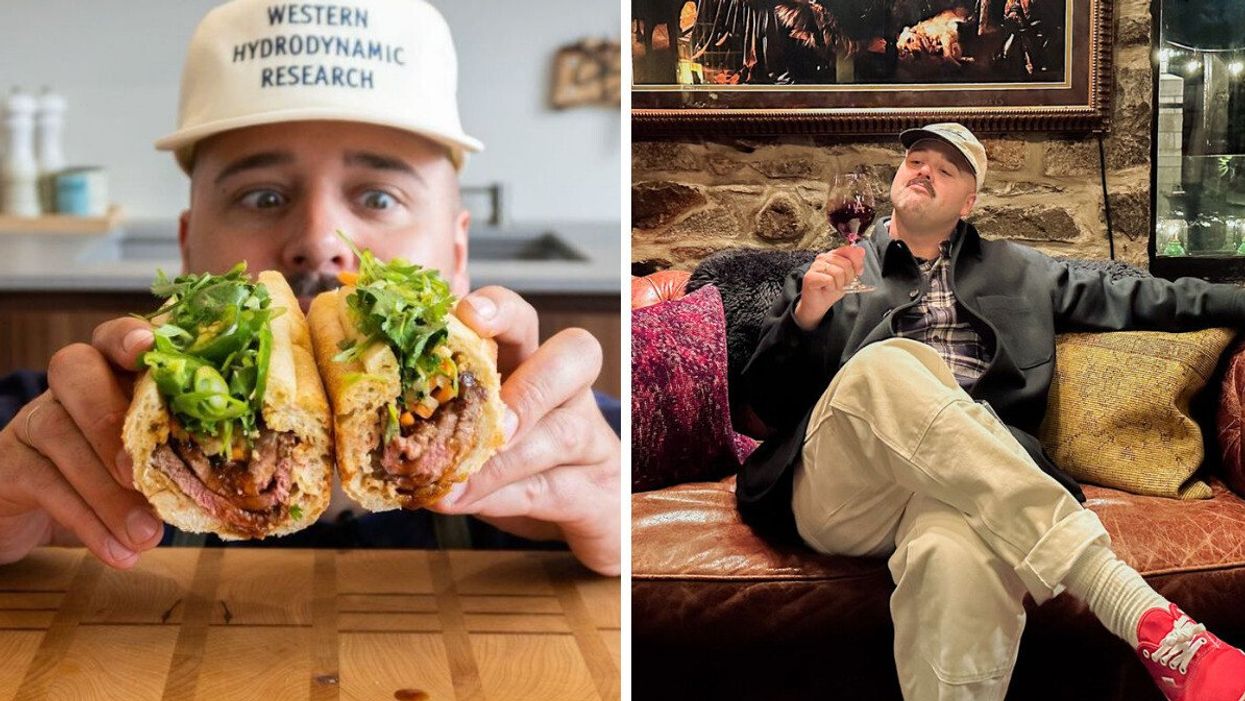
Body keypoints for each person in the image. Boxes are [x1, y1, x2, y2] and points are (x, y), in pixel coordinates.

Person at [0, 0, 619, 576]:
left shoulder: (591, 443)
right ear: (188, 250)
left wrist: (619, 532)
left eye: (379, 197)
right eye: (262, 196)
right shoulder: (45, 432)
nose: (321, 239)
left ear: (458, 255)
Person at [737, 122, 1245, 700]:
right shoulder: (832, 271)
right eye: (916, 161)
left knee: (957, 555)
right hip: (845, 488)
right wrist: (805, 316)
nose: (924, 170)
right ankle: (1135, 609)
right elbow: (768, 404)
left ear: (970, 200)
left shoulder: (1024, 271)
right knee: (888, 365)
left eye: (945, 169)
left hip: (965, 490)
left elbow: (1154, 298)